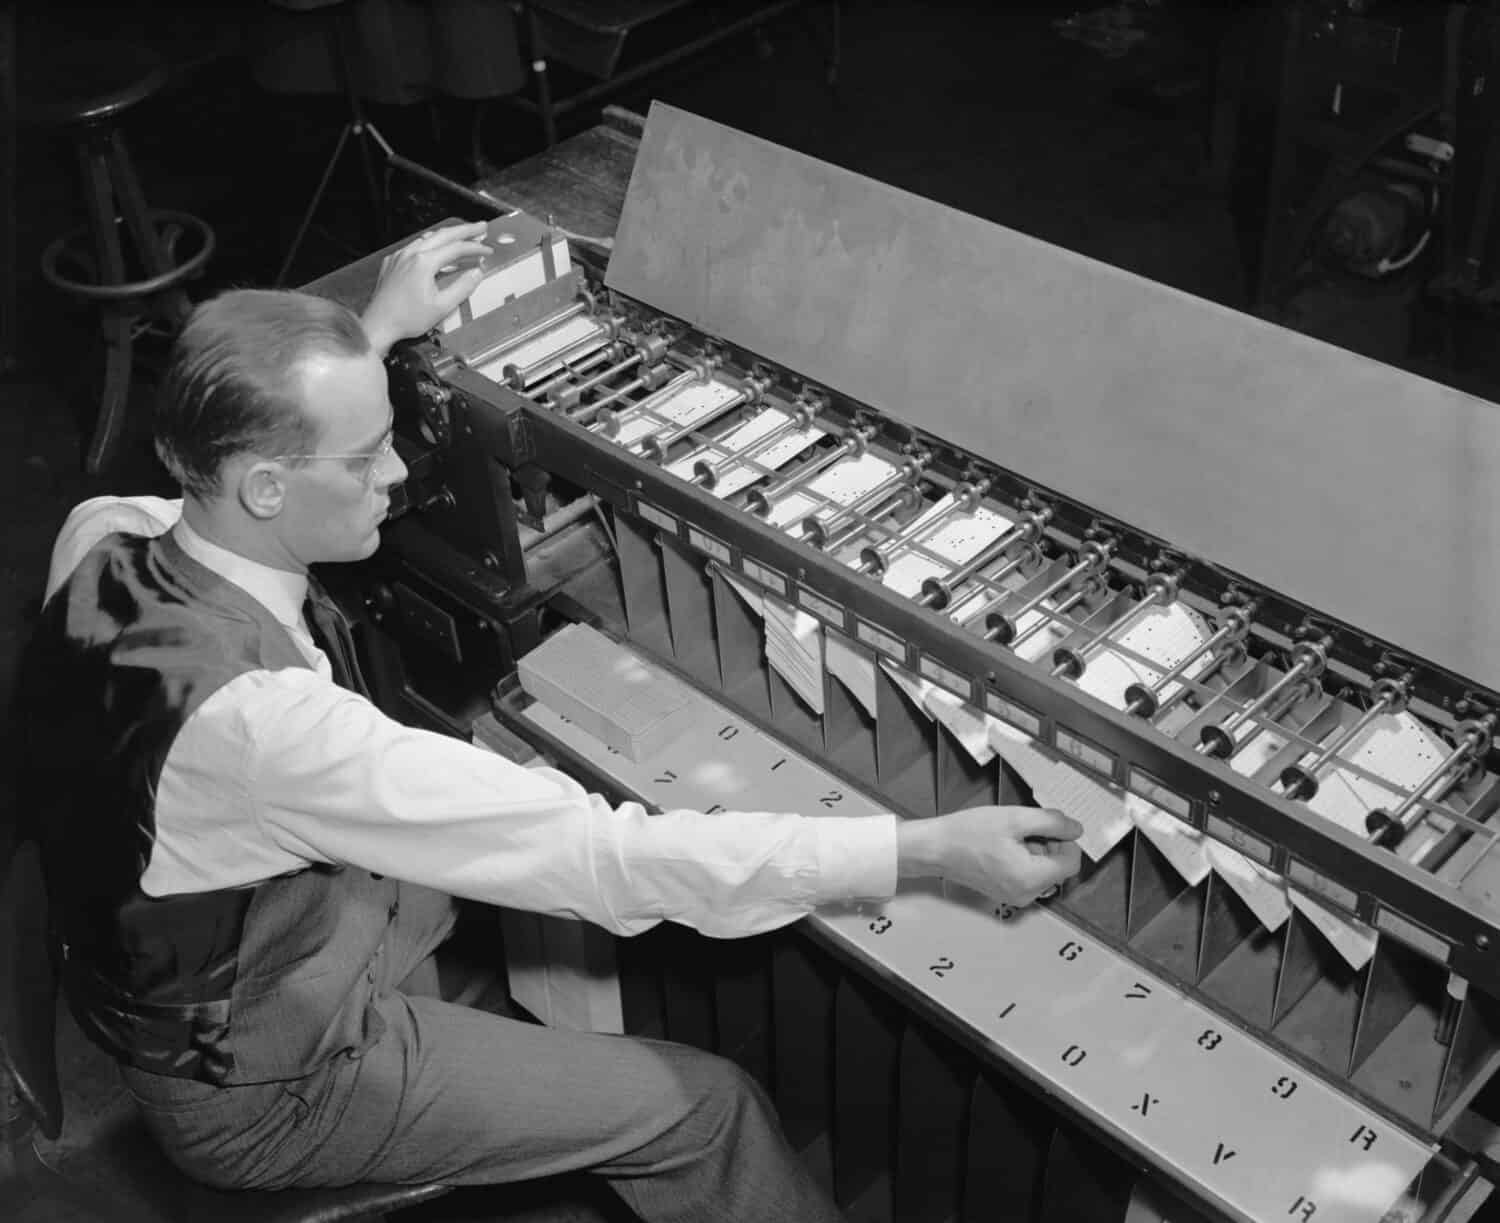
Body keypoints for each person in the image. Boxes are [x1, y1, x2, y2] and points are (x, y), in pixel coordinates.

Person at [17, 221, 1084, 1223]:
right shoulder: (270, 730)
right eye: (364, 457)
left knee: (497, 833)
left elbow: (234, 427)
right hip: (270, 1082)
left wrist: (371, 330)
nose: (397, 475)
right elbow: (598, 854)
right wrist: (924, 847)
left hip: (183, 960)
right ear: (259, 486)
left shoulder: (106, 530)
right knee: (701, 1104)